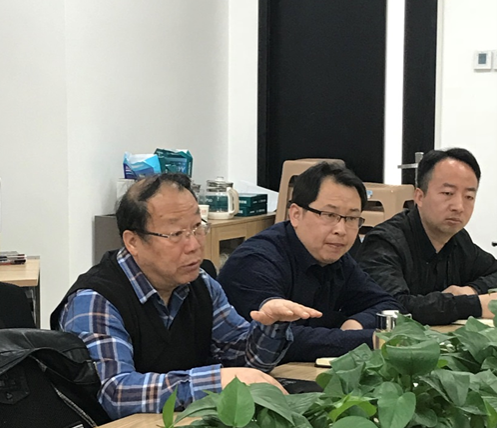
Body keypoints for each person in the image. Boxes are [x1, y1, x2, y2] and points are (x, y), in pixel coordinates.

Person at [50, 173, 321, 421]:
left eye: (197, 228)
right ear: (133, 241)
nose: (193, 245)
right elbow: (116, 393)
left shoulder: (199, 283)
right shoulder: (96, 300)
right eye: (176, 234)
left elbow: (245, 362)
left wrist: (270, 326)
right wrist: (215, 382)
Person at [217, 162, 401, 362]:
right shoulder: (255, 261)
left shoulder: (335, 258)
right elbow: (278, 340)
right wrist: (369, 339)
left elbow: (388, 305)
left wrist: (357, 324)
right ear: (295, 214)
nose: (341, 229)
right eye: (329, 215)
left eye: (351, 218)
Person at [356, 148, 497, 325]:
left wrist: (471, 290)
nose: (459, 206)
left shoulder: (459, 239)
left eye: (469, 196)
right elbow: (393, 308)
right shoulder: (385, 242)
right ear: (419, 197)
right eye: (448, 193)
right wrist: (474, 305)